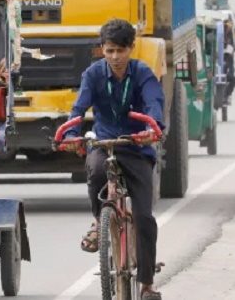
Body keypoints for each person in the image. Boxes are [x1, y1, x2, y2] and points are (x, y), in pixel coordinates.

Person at [60, 19, 164, 300]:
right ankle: (99, 220)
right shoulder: (93, 75)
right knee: (94, 170)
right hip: (104, 143)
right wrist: (71, 133)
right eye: (109, 51)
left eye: (120, 50)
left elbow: (154, 104)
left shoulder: (142, 73)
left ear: (131, 48)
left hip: (136, 146)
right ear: (102, 51)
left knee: (143, 217)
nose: (115, 57)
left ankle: (146, 285)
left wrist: (151, 128)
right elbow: (78, 109)